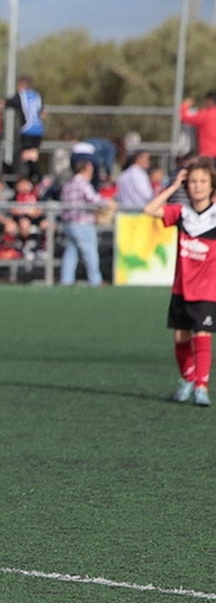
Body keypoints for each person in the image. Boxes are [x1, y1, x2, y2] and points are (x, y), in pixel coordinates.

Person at [143, 160, 216, 407]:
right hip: (181, 288)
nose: (197, 186)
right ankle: (187, 378)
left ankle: (201, 386)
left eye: (203, 181)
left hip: (207, 290)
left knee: (202, 335)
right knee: (180, 339)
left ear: (211, 185)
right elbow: (150, 209)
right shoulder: (181, 213)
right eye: (193, 181)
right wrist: (174, 185)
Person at [59, 159, 113, 286]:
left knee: (71, 253)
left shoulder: (68, 184)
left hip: (69, 223)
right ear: (85, 169)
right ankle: (95, 281)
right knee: (90, 253)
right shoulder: (83, 184)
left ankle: (66, 280)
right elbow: (93, 199)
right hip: (82, 223)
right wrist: (108, 202)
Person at [6, 75, 45, 182]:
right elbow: (42, 113)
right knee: (32, 156)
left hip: (27, 129)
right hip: (38, 130)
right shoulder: (37, 95)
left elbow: (7, 103)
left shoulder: (21, 95)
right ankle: (35, 180)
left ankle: (39, 179)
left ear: (22, 85)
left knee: (25, 156)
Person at [179, 92, 216, 159]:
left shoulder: (205, 115)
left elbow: (185, 118)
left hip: (208, 154)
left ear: (210, 100)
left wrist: (185, 105)